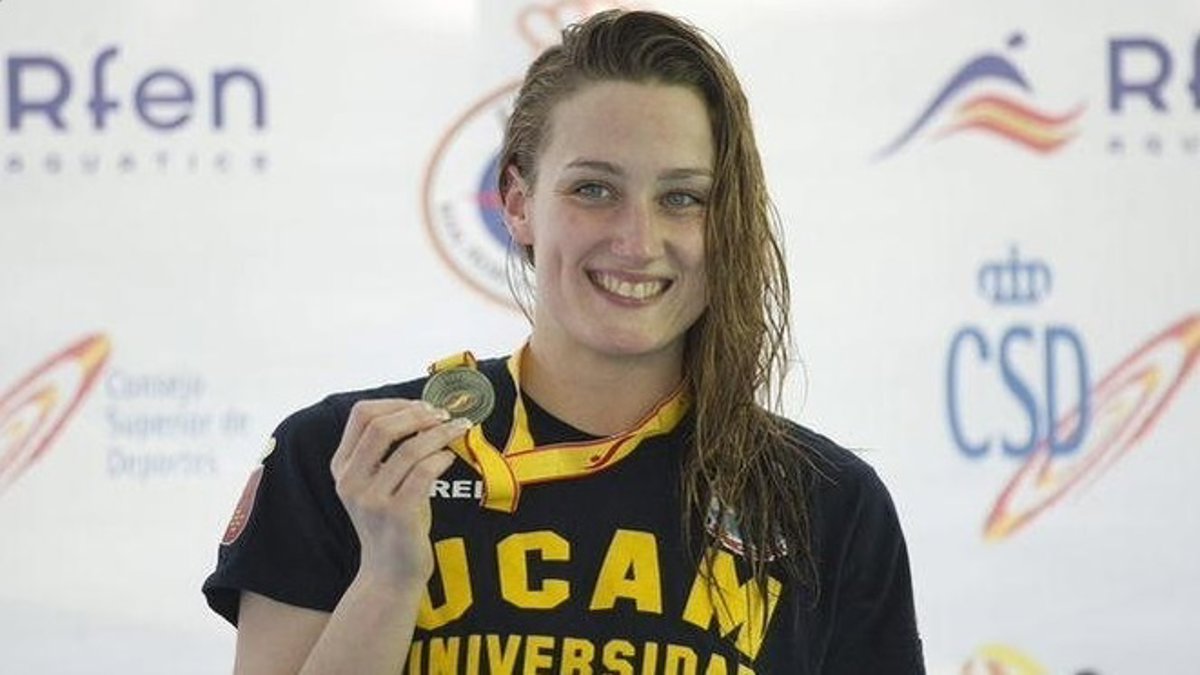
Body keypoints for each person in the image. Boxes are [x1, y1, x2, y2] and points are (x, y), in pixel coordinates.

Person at [204, 9, 925, 674]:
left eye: (682, 198)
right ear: (519, 203)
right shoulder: (347, 459)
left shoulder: (826, 504)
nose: (638, 241)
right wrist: (389, 577)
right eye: (593, 190)